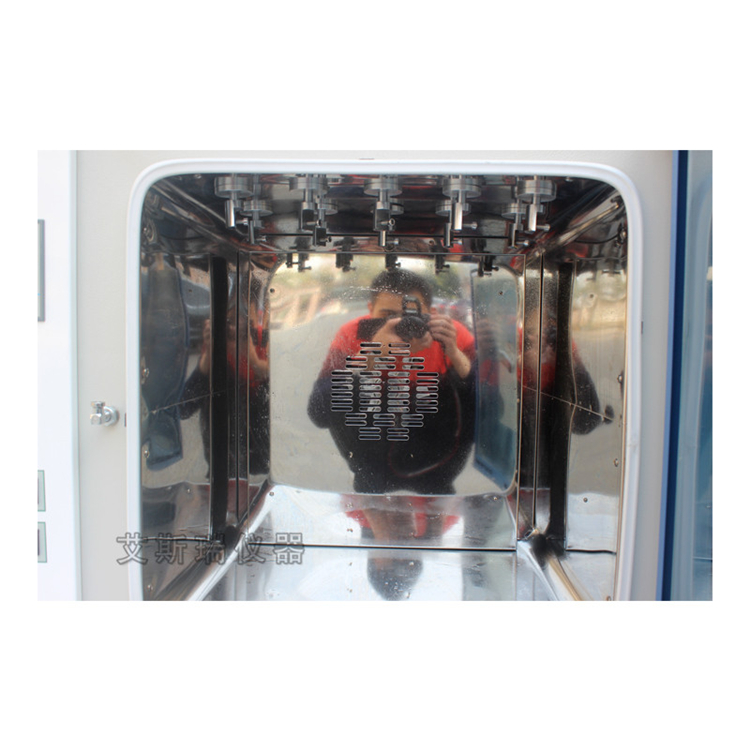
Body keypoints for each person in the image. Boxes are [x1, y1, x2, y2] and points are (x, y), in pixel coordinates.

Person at [307, 268, 476, 497]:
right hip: (372, 466)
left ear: (432, 315)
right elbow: (319, 412)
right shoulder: (354, 334)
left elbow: (486, 407)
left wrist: (454, 354)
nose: (401, 325)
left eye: (412, 317)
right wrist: (370, 357)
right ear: (370, 311)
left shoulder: (450, 335)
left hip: (435, 466)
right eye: (387, 316)